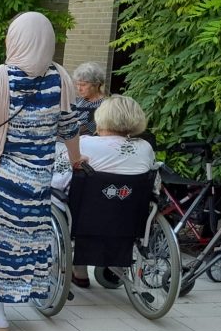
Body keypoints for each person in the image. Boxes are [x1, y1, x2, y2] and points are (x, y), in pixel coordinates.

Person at [0, 12, 83, 331]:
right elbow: (70, 128)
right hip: (36, 183)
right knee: (15, 249)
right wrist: (76, 159)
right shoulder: (60, 78)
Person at [50, 95, 155, 288]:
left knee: (55, 196)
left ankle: (78, 269)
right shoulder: (145, 148)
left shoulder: (85, 144)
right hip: (127, 221)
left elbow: (59, 181)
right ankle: (114, 262)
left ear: (102, 117)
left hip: (83, 220)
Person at [73, 61, 107, 135]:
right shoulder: (76, 101)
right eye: (77, 84)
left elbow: (93, 129)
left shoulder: (106, 105)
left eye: (83, 85)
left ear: (97, 84)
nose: (79, 88)